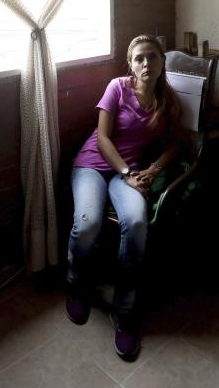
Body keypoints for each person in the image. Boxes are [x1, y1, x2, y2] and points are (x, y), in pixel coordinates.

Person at [65, 34, 182, 361]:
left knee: (136, 222)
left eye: (153, 57)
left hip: (128, 173)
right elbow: (102, 138)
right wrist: (128, 173)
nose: (147, 63)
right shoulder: (117, 87)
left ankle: (125, 310)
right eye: (140, 58)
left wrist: (155, 169)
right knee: (87, 223)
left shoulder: (167, 99)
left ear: (162, 62)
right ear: (130, 65)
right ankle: (76, 284)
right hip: (92, 165)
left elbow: (175, 144)